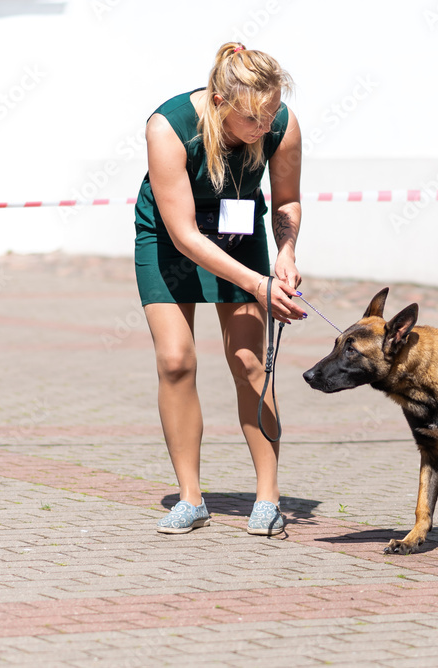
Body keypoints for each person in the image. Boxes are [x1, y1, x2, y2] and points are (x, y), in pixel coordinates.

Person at [134, 42, 307, 537]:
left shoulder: (281, 124)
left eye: (272, 113)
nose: (265, 127)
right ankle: (190, 499)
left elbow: (287, 200)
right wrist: (256, 283)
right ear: (218, 102)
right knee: (175, 361)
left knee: (249, 362)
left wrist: (286, 254)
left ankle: (268, 498)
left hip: (239, 228)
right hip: (170, 237)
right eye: (252, 118)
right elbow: (185, 235)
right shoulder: (167, 127)